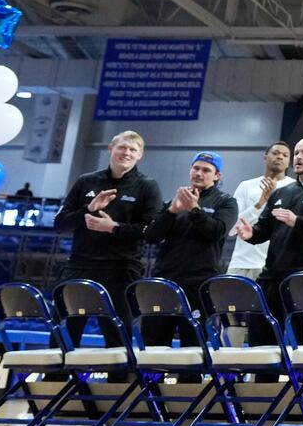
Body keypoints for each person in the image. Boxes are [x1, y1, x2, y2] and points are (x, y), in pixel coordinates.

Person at [54, 131, 163, 346]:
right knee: (64, 334)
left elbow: (152, 233)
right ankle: (54, 378)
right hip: (79, 266)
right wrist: (89, 208)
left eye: (133, 149)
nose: (127, 153)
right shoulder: (86, 181)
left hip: (121, 270)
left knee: (117, 336)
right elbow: (61, 225)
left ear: (140, 155)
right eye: (122, 147)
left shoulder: (147, 187)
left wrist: (114, 228)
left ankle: (119, 379)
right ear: (110, 149)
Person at [234, 138, 303, 347]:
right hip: (271, 275)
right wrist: (251, 233)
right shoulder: (281, 192)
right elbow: (264, 229)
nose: (298, 157)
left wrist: (297, 221)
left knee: (302, 340)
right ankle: (262, 381)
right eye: (296, 153)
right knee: (260, 338)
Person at [142, 151, 238, 347]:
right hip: (165, 281)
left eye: (206, 170)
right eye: (196, 168)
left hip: (199, 284)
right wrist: (171, 212)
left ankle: (191, 380)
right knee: (153, 341)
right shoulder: (173, 202)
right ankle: (152, 378)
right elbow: (151, 236)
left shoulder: (226, 202)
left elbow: (218, 232)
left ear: (217, 176)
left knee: (194, 344)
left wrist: (195, 210)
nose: (199, 173)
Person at [227, 142, 292, 282]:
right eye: (275, 153)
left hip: (277, 266)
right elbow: (232, 228)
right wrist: (260, 203)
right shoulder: (246, 186)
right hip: (242, 263)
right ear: (265, 157)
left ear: (288, 163)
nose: (280, 157)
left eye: (285, 155)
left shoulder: (294, 188)